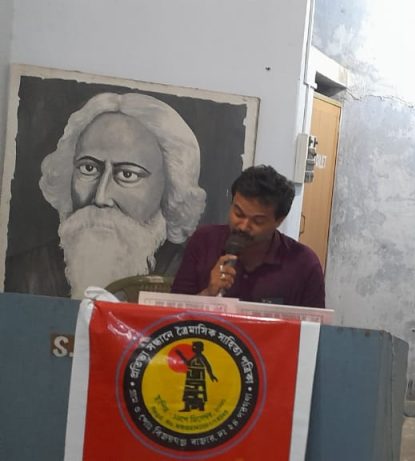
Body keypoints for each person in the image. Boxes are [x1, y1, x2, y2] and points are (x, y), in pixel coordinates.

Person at [8, 92, 206, 298]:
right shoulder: (23, 274)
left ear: (171, 187)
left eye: (127, 174)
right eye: (88, 168)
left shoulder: (192, 278)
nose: (100, 197)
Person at [171, 165, 325, 308]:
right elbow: (173, 313)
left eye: (258, 221)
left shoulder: (304, 264)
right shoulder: (204, 241)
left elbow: (314, 326)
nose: (243, 226)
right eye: (238, 214)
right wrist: (208, 293)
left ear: (279, 220)